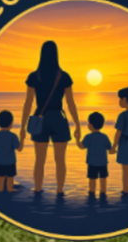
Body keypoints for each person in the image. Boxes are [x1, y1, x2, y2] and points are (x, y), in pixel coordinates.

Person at [19, 40, 81, 196]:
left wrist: (22, 127)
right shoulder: (63, 76)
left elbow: (28, 103)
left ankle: (38, 189)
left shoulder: (34, 76)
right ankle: (60, 191)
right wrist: (77, 124)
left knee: (39, 160)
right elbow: (70, 103)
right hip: (58, 119)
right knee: (60, 160)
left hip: (40, 118)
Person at [78, 112, 113, 198]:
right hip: (103, 163)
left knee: (92, 179)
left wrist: (77, 139)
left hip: (92, 163)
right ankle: (103, 193)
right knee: (103, 179)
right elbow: (109, 147)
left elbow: (81, 146)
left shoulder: (88, 137)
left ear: (90, 125)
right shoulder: (104, 137)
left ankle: (92, 193)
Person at [0, 110, 22, 193]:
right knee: (10, 177)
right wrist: (22, 138)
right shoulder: (13, 136)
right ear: (11, 123)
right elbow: (19, 148)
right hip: (10, 162)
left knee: (0, 177)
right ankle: (10, 189)